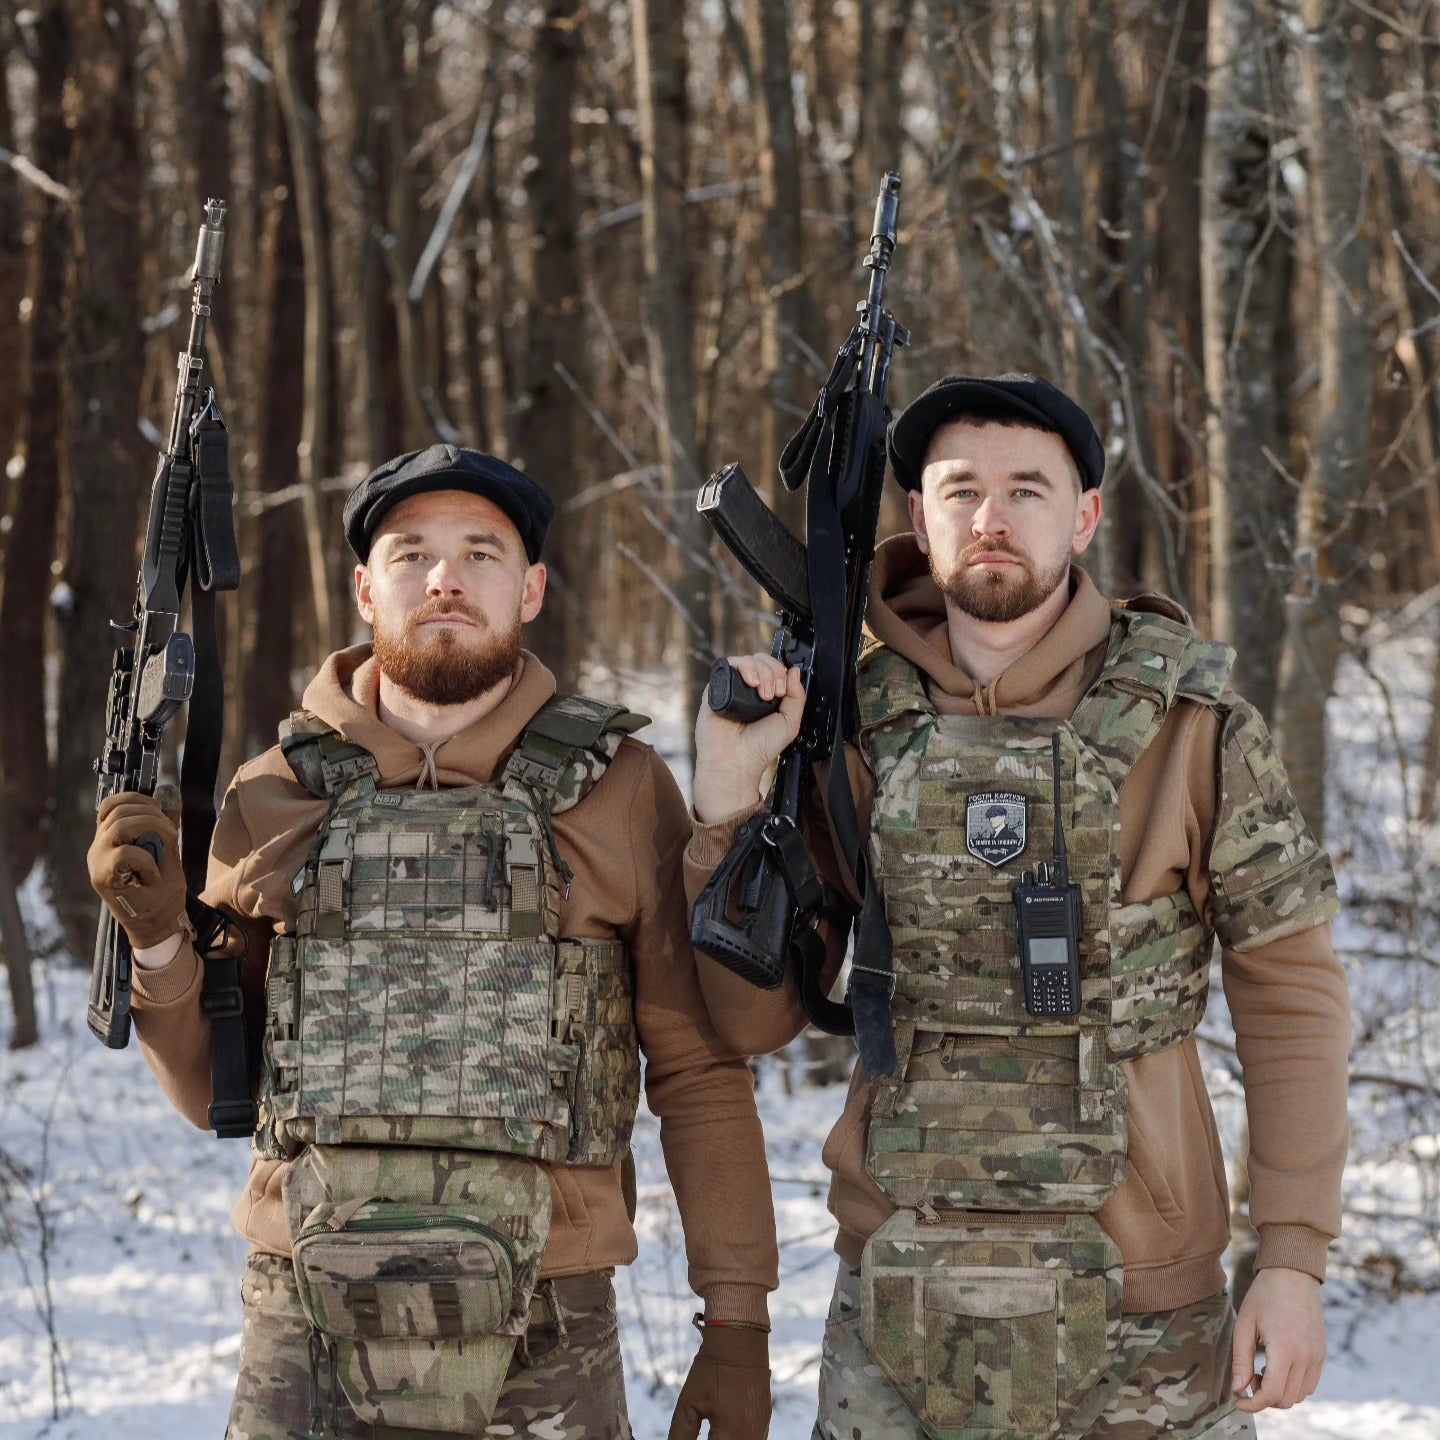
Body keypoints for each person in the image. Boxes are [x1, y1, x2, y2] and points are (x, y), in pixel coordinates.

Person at [687, 376, 1351, 1439]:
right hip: (899, 1305)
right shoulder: (851, 721)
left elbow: (1294, 998)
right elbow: (751, 1022)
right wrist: (728, 806)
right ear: (919, 517)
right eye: (961, 490)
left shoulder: (1193, 722)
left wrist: (1294, 1259)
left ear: (1084, 515)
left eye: (1027, 490)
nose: (991, 519)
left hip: (1145, 1301)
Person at [88, 444, 777, 1440]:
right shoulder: (272, 791)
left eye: (481, 554)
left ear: (531, 588)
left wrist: (738, 1323)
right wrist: (157, 943)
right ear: (366, 588)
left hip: (549, 1324)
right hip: (308, 1319)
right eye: (411, 555)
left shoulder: (620, 788)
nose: (445, 579)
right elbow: (216, 1096)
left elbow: (699, 1075)